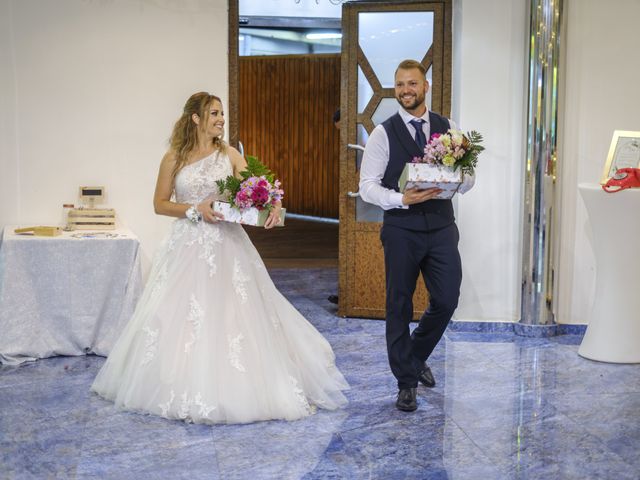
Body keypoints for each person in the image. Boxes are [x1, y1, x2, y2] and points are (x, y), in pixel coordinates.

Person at [91, 92, 349, 424]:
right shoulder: (174, 158)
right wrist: (194, 210)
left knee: (234, 312)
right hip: (186, 245)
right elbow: (159, 203)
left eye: (222, 114)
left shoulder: (228, 155)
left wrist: (269, 204)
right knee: (178, 316)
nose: (221, 119)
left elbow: (256, 188)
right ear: (195, 118)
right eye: (214, 113)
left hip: (228, 244)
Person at [359, 60, 474, 412]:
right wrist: (400, 199)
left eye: (412, 83)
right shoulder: (382, 133)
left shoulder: (449, 128)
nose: (406, 90)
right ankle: (406, 383)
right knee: (399, 304)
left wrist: (454, 181)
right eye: (399, 85)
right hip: (401, 231)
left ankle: (414, 355)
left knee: (447, 299)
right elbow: (366, 188)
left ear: (425, 86)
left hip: (441, 228)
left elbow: (469, 179)